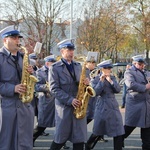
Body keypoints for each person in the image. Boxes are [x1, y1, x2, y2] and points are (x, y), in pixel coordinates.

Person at [48, 39, 88, 150]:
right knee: (60, 139)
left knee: (79, 139)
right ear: (62, 51)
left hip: (79, 105)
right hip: (64, 107)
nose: (71, 52)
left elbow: (81, 85)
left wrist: (86, 84)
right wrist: (70, 100)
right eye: (68, 50)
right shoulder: (54, 68)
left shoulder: (78, 66)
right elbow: (54, 88)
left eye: (72, 50)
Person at [0, 25, 34, 149]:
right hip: (7, 107)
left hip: (25, 107)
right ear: (5, 40)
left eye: (18, 38)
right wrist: (12, 88)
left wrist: (31, 73)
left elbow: (31, 80)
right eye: (13, 38)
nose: (17, 41)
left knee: (24, 144)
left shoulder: (23, 57)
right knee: (7, 144)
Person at [85, 59, 124, 150]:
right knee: (98, 131)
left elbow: (118, 90)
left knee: (118, 131)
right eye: (107, 68)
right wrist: (102, 81)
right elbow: (95, 92)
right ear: (102, 69)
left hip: (113, 107)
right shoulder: (95, 79)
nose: (110, 70)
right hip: (102, 106)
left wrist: (110, 81)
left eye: (110, 68)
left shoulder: (113, 77)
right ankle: (87, 146)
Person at [123, 55, 150, 149]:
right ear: (134, 63)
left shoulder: (146, 72)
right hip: (135, 103)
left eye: (143, 64)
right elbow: (130, 84)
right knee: (129, 127)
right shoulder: (129, 72)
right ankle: (118, 141)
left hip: (146, 104)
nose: (142, 66)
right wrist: (145, 87)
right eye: (139, 64)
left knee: (147, 131)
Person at [33, 55, 56, 145]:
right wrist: (47, 87)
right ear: (47, 63)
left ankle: (60, 142)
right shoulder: (39, 72)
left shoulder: (55, 71)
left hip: (56, 100)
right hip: (46, 101)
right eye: (52, 64)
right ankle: (31, 139)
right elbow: (36, 86)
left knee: (60, 124)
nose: (54, 65)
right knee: (42, 125)